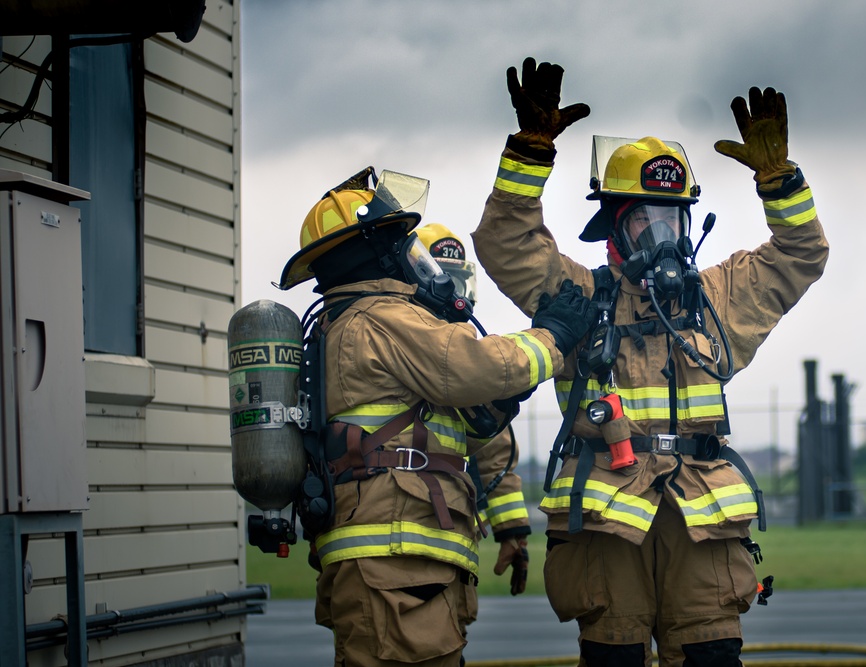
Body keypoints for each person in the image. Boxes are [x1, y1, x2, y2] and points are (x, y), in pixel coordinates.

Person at [471, 58, 829, 666]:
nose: (663, 233)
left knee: (712, 656)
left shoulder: (719, 298)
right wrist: (529, 156)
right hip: (610, 529)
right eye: (644, 218)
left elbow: (802, 252)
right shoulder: (579, 298)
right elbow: (506, 244)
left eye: (672, 218)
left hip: (702, 525)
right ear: (615, 228)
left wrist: (780, 181)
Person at [276, 166, 589, 667]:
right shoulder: (381, 316)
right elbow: (475, 366)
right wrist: (554, 335)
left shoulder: (349, 322)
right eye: (401, 241)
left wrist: (508, 525)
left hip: (395, 558)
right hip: (395, 560)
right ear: (373, 249)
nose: (410, 254)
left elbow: (468, 431)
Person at [413, 223, 533, 652]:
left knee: (448, 642)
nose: (455, 294)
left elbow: (495, 450)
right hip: (399, 530)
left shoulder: (464, 350)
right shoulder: (404, 338)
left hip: (451, 534)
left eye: (459, 280)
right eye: (443, 280)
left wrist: (512, 532)